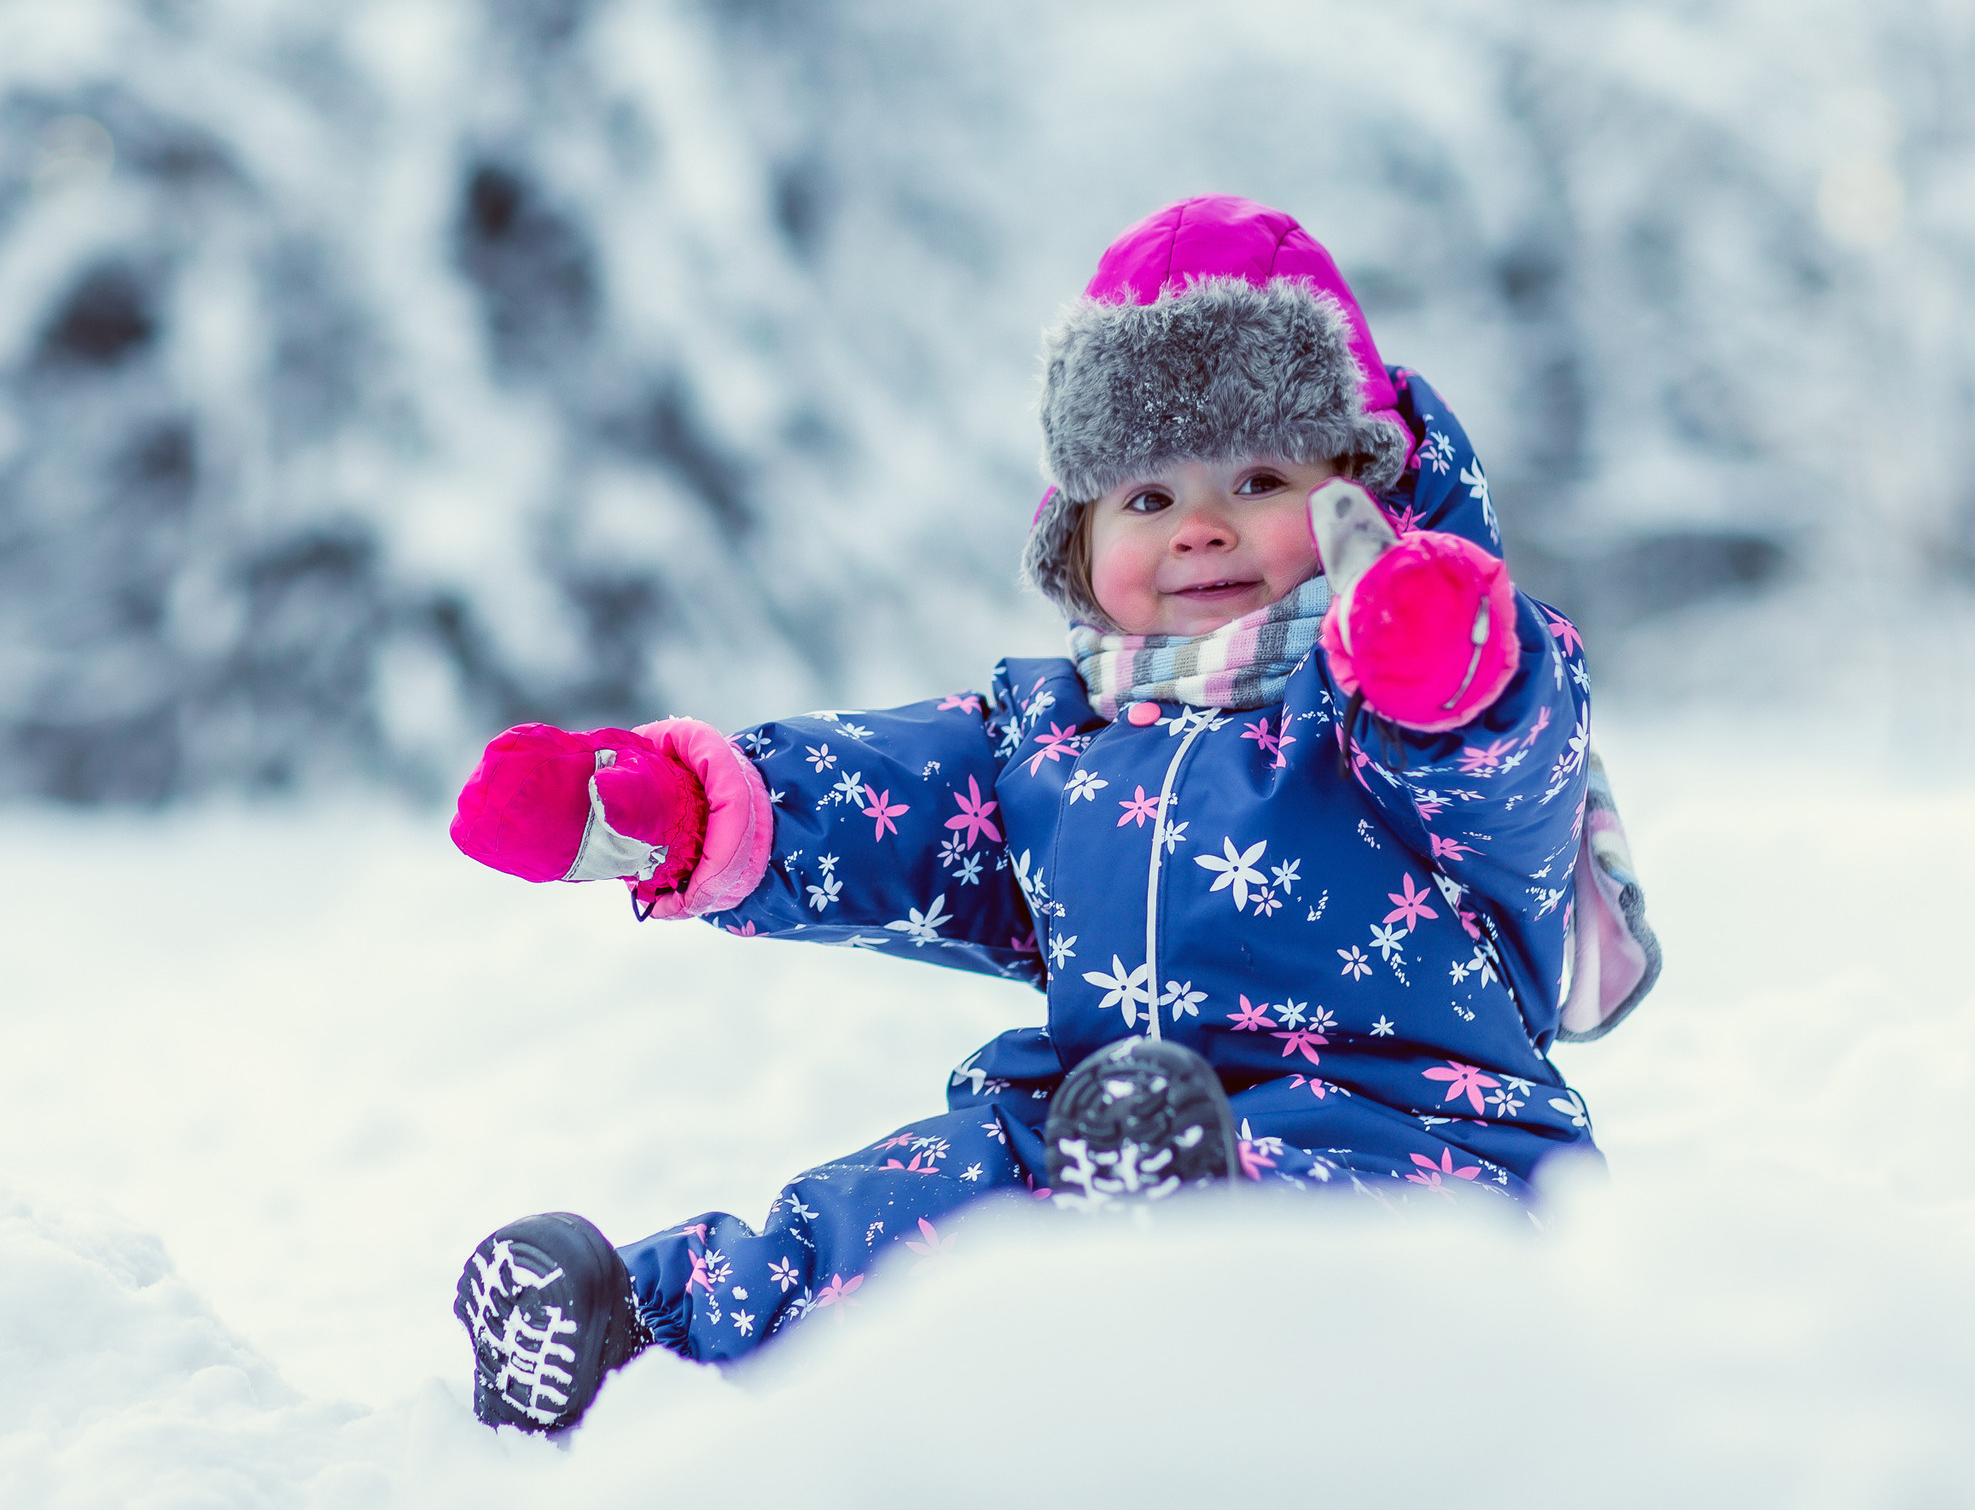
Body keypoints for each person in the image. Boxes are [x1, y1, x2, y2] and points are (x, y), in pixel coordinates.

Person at [443, 195, 1663, 1435]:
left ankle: (1179, 1238)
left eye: (1257, 476)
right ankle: (633, 1337)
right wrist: (673, 809)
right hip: (1096, 1127)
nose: (1199, 526)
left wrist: (1436, 660)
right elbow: (888, 802)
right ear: (1075, 543)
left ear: (1364, 491)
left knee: (1318, 1214)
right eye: (1144, 497)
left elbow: (1498, 770)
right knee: (921, 1196)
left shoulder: (1405, 695)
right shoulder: (1055, 732)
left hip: (1414, 1143)